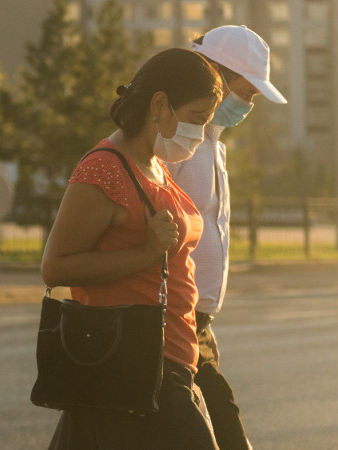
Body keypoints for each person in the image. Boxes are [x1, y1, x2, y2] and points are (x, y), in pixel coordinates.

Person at [40, 47, 222, 449]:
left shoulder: (153, 165)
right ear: (160, 104)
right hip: (133, 367)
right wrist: (145, 252)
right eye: (196, 118)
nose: (200, 132)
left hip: (170, 362)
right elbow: (55, 268)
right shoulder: (105, 168)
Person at [166, 25, 287, 450]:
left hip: (197, 319)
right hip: (172, 317)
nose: (248, 104)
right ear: (215, 73)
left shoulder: (212, 141)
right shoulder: (177, 141)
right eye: (246, 92)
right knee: (223, 426)